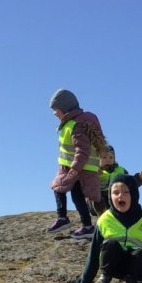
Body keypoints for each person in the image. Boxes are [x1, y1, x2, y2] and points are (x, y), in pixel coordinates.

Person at [77, 174, 142, 283]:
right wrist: (85, 278)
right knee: (111, 244)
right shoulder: (105, 219)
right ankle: (105, 276)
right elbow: (94, 252)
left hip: (136, 269)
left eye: (126, 192)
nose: (121, 196)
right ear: (110, 196)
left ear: (134, 194)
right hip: (112, 267)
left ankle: (131, 279)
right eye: (116, 192)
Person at [47, 89, 107, 239]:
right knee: (59, 188)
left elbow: (82, 150)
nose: (54, 113)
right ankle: (64, 219)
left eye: (56, 109)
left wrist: (75, 169)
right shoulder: (70, 123)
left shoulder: (77, 125)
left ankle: (86, 226)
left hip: (80, 168)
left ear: (65, 109)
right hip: (70, 166)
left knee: (77, 196)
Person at [92, 145, 142, 217]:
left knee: (127, 191)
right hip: (98, 202)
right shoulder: (94, 170)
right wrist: (94, 175)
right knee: (96, 196)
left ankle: (130, 212)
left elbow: (129, 182)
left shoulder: (120, 170)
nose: (108, 159)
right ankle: (103, 215)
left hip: (114, 198)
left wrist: (139, 178)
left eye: (111, 157)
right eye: (104, 157)